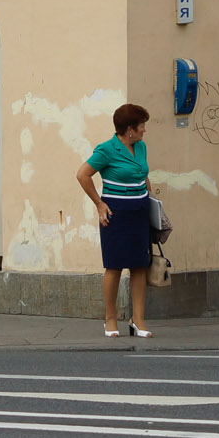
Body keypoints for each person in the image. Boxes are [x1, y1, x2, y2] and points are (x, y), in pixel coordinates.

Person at [76, 102, 154, 339]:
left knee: (140, 265)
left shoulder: (140, 148)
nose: (144, 130)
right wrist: (99, 203)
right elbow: (83, 174)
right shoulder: (107, 149)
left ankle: (138, 320)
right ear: (130, 129)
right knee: (114, 265)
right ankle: (110, 318)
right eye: (141, 126)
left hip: (140, 210)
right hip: (116, 212)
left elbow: (143, 175)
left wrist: (153, 203)